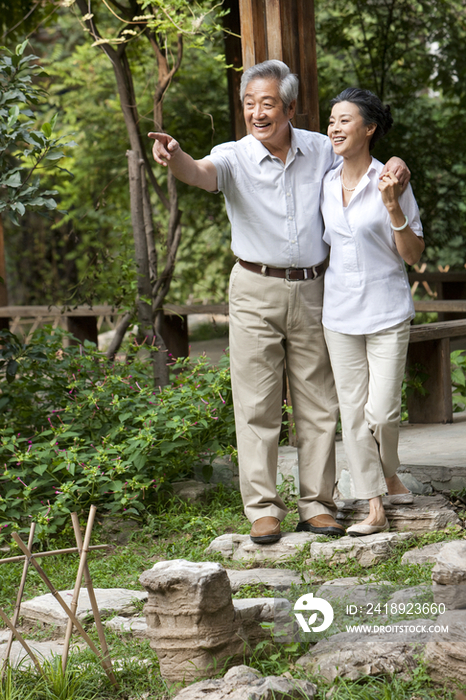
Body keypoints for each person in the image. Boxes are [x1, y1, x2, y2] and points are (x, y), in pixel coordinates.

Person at [149, 60, 410, 544]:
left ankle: (317, 504)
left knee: (318, 402)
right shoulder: (233, 155)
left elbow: (364, 166)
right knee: (257, 404)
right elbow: (201, 174)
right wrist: (177, 155)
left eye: (267, 103)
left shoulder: (319, 147)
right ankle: (263, 508)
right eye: (249, 104)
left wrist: (395, 163)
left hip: (316, 288)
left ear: (289, 106)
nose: (257, 113)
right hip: (253, 288)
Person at [321, 87, 424, 536]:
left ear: (369, 128)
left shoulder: (393, 180)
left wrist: (392, 205)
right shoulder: (324, 182)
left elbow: (414, 255)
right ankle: (374, 506)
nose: (334, 127)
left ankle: (390, 471)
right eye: (331, 120)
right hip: (339, 314)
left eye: (345, 120)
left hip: (386, 311)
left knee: (381, 413)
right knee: (352, 413)